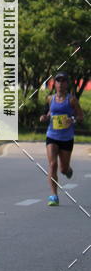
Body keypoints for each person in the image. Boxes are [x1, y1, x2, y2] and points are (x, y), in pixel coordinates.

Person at [40, 72, 83, 206]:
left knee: (63, 169)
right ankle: (53, 196)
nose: (60, 84)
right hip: (52, 135)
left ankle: (68, 170)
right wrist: (44, 117)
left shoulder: (72, 100)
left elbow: (80, 116)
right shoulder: (50, 99)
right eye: (58, 81)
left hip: (66, 138)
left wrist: (73, 119)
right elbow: (46, 112)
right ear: (55, 84)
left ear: (66, 84)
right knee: (52, 164)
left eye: (63, 81)